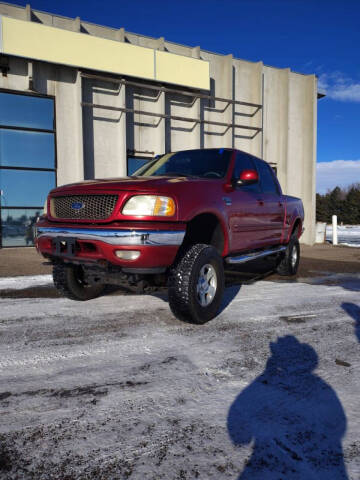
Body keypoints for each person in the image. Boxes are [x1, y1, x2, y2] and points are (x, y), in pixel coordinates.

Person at [227, 335, 348, 479]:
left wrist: (241, 436)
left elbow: (241, 407)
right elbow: (337, 422)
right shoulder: (320, 386)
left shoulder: (268, 381)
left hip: (277, 457)